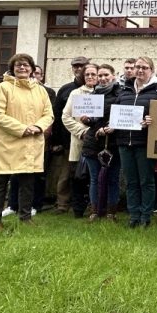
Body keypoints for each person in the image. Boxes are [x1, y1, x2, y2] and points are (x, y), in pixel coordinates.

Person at [0, 53, 54, 229]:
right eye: (18, 65)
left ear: (32, 69)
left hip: (31, 142)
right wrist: (23, 129)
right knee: (0, 181)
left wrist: (38, 127)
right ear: (12, 69)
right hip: (6, 143)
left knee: (27, 182)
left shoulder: (40, 90)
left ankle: (25, 218)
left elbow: (49, 114)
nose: (22, 68)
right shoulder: (2, 88)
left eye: (25, 65)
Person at [115, 56, 157, 228]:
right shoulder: (124, 90)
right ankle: (133, 215)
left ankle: (146, 216)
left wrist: (153, 120)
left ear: (151, 70)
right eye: (137, 67)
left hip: (144, 142)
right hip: (124, 142)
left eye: (144, 67)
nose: (140, 70)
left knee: (146, 181)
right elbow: (115, 112)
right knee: (131, 182)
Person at [81, 63, 122, 221]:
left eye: (106, 75)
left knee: (113, 178)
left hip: (113, 143)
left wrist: (108, 128)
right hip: (93, 142)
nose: (103, 78)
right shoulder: (92, 95)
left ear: (113, 76)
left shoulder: (120, 94)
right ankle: (95, 211)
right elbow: (92, 120)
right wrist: (86, 120)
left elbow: (122, 118)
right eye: (100, 76)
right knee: (94, 179)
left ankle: (112, 212)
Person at [48, 56, 89, 214]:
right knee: (66, 174)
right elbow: (57, 116)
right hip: (67, 139)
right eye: (75, 66)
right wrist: (56, 140)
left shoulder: (97, 88)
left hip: (90, 139)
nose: (78, 69)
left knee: (87, 174)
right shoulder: (65, 89)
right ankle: (62, 204)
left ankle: (85, 204)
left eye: (81, 66)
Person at [61, 63, 99, 218]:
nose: (90, 77)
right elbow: (66, 116)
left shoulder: (104, 93)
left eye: (93, 74)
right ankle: (78, 209)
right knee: (79, 177)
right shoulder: (76, 93)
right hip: (80, 140)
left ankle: (94, 207)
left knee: (96, 177)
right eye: (87, 74)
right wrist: (82, 131)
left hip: (98, 141)